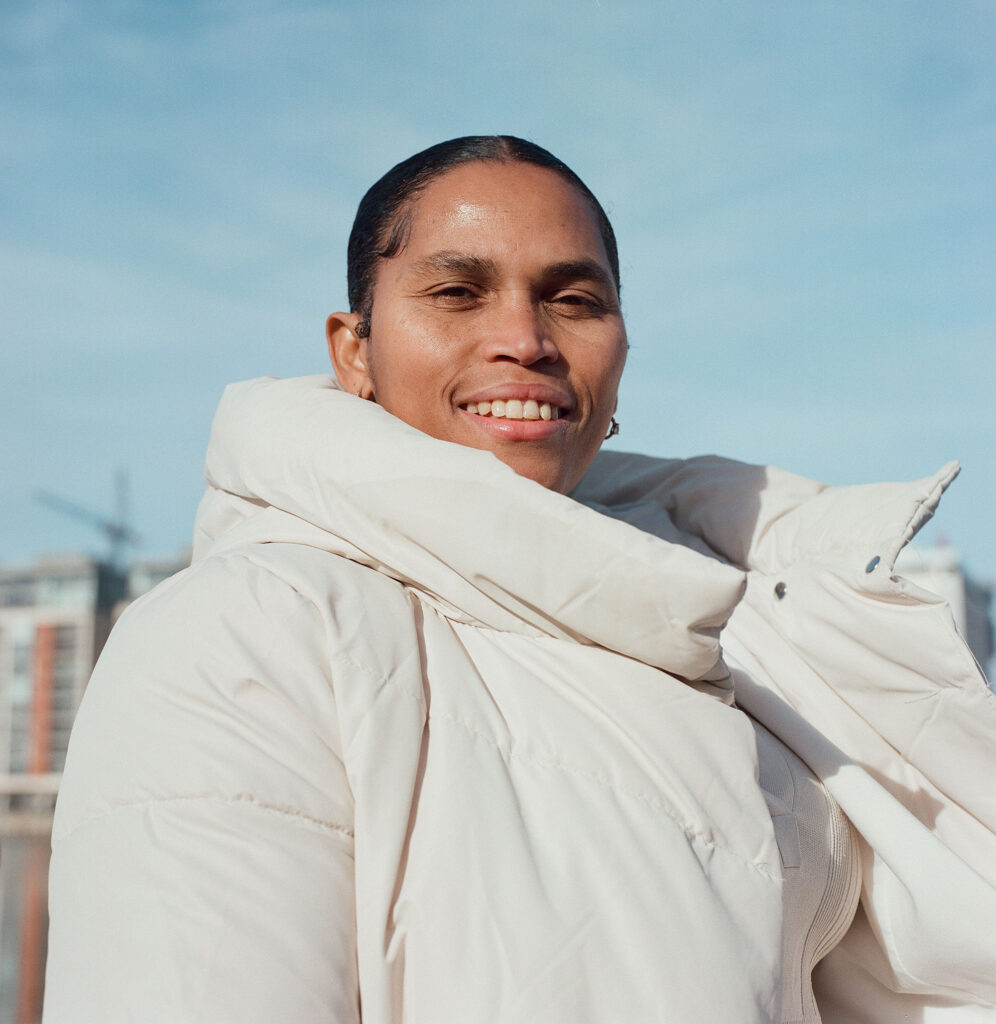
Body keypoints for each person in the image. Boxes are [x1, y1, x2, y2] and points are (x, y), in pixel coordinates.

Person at [44, 137, 996, 1023]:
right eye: (458, 291)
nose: (525, 338)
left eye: (574, 299)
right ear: (353, 351)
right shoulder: (251, 630)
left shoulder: (741, 643)